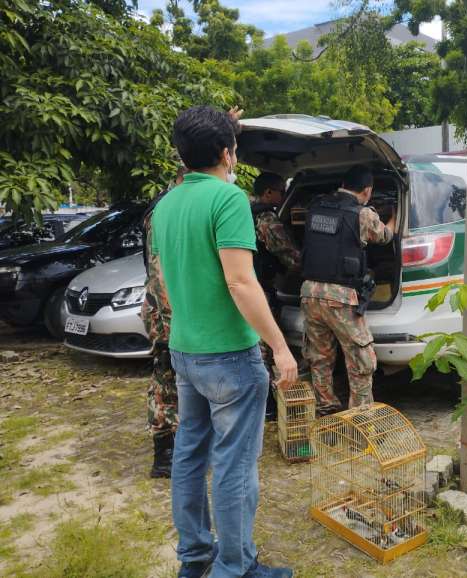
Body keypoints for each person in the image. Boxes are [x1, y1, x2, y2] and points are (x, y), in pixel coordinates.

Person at [151, 105, 297, 578]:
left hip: (185, 352)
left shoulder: (166, 204)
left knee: (190, 458)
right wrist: (279, 346)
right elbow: (241, 283)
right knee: (235, 466)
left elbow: (168, 288)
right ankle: (234, 568)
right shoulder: (228, 199)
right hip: (230, 358)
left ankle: (194, 559)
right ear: (226, 154)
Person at [300, 165, 395, 415]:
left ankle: (326, 408)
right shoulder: (363, 214)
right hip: (340, 296)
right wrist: (392, 218)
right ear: (366, 191)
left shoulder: (316, 207)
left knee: (319, 357)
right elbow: (385, 237)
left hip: (309, 293)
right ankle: (361, 419)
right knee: (361, 360)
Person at [142, 165, 186, 479]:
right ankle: (165, 454)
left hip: (169, 307)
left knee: (172, 378)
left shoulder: (169, 205)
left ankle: (174, 447)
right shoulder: (166, 210)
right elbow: (159, 275)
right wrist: (170, 324)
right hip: (165, 310)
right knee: (166, 377)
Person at [251, 172, 301, 419]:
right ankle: (267, 405)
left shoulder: (243, 212)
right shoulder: (266, 219)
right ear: (268, 193)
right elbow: (289, 254)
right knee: (265, 349)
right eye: (281, 191)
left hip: (248, 287)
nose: (283, 196)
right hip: (259, 291)